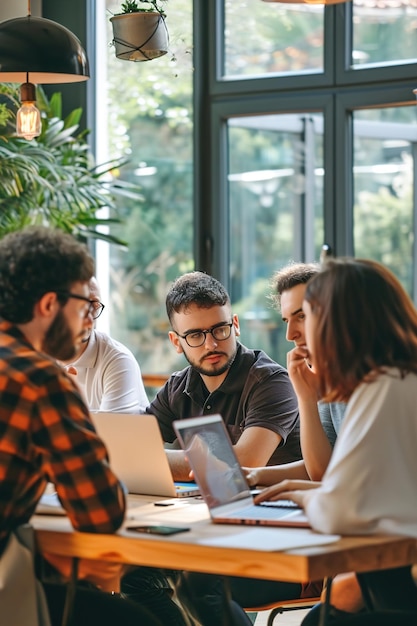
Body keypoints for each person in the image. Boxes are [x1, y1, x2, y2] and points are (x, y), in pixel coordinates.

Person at [0, 226, 162, 626]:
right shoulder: (41, 380)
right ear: (50, 304)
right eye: (82, 306)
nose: (87, 320)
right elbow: (101, 514)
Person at [177, 263, 347, 626]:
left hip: (325, 546)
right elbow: (322, 468)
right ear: (177, 342)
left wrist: (265, 476)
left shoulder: (355, 383)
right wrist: (259, 477)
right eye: (287, 318)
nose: (289, 334)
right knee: (173, 575)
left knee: (195, 580)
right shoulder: (328, 381)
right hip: (326, 529)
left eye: (301, 316)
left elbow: (331, 476)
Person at [255, 257, 417, 625]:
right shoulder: (398, 377)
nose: (299, 334)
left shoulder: (385, 387)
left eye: (309, 316)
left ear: (340, 321)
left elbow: (341, 511)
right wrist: (307, 490)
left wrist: (305, 495)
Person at [146, 270, 302, 482]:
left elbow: (242, 465)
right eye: (195, 335)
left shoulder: (271, 381)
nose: (211, 345)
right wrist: (202, 463)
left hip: (273, 507)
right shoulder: (177, 387)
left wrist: (160, 462)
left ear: (235, 325)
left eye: (220, 329)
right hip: (205, 506)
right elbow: (133, 452)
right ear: (176, 342)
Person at [64, 276, 149, 413]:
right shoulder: (38, 353)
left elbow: (113, 432)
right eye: (81, 306)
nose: (90, 320)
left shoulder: (117, 360)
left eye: (95, 305)